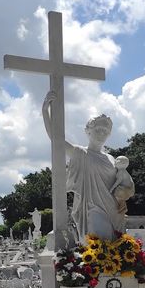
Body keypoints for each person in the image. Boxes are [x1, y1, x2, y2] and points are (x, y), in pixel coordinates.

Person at [42, 90, 123, 240]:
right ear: (88, 131)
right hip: (92, 208)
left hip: (114, 210)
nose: (102, 133)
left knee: (114, 245)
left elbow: (120, 186)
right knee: (98, 242)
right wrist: (45, 112)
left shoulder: (112, 159)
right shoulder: (80, 153)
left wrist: (122, 199)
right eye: (98, 129)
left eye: (106, 131)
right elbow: (56, 139)